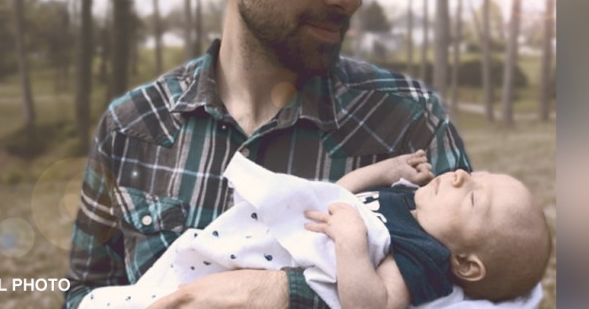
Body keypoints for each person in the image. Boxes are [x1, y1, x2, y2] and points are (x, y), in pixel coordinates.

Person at [64, 0, 473, 308]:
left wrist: (280, 296)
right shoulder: (131, 127)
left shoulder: (410, 123)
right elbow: (85, 292)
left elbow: (481, 289)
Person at [73, 151, 550, 309]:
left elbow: (373, 302)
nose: (464, 175)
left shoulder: (424, 256)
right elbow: (336, 196)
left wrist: (350, 243)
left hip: (271, 265)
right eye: (479, 174)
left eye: (473, 197)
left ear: (466, 263)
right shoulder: (408, 202)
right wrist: (383, 171)